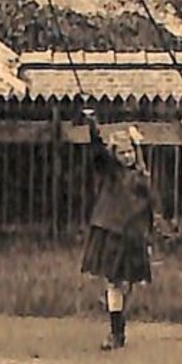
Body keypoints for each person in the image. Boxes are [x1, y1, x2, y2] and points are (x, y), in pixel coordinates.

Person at [79, 112, 154, 350]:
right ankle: (116, 332)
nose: (127, 156)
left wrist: (148, 239)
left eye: (130, 151)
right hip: (112, 233)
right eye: (122, 153)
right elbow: (98, 152)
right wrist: (93, 125)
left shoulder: (141, 178)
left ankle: (118, 325)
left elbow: (148, 210)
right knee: (114, 283)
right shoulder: (110, 172)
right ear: (115, 155)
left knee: (126, 284)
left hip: (134, 237)